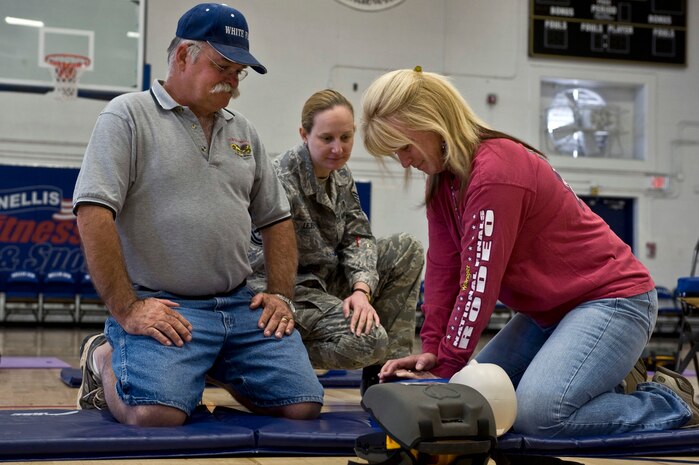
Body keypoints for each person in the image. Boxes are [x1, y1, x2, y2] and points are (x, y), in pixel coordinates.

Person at [359, 67, 699, 437]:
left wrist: (448, 367)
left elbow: (478, 283)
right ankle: (603, 380)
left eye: (404, 147)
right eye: (395, 154)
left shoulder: (494, 172)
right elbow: (443, 269)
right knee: (481, 403)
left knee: (540, 415)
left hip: (612, 301)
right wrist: (434, 353)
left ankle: (670, 401)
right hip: (551, 315)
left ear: (432, 122)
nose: (403, 161)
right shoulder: (442, 182)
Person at [72, 3, 323, 427]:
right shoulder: (127, 116)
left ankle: (210, 361)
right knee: (153, 414)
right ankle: (103, 357)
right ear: (184, 55)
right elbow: (93, 212)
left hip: (240, 305)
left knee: (302, 405)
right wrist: (127, 309)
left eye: (239, 72)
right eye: (223, 66)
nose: (233, 81)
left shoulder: (244, 130)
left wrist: (280, 293)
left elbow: (277, 219)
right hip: (167, 304)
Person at [247, 89, 424, 392]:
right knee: (369, 341)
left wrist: (361, 290)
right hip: (288, 293)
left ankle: (388, 381)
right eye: (327, 138)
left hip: (326, 282)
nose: (338, 148)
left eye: (346, 137)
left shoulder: (340, 176)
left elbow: (358, 236)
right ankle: (259, 357)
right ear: (304, 134)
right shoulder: (279, 178)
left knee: (406, 248)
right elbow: (264, 263)